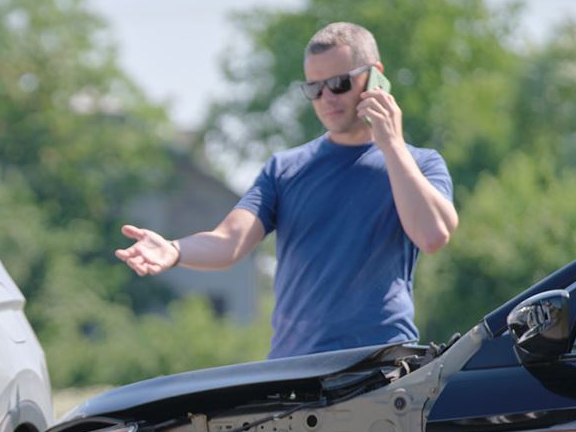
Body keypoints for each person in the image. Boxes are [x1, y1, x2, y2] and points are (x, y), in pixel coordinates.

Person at [115, 22, 457, 358]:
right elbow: (230, 241)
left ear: (375, 77)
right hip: (294, 372)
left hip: (381, 367)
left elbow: (432, 236)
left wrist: (391, 145)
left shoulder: (420, 164)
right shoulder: (284, 169)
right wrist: (174, 250)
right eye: (314, 89)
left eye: (338, 84)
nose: (326, 98)